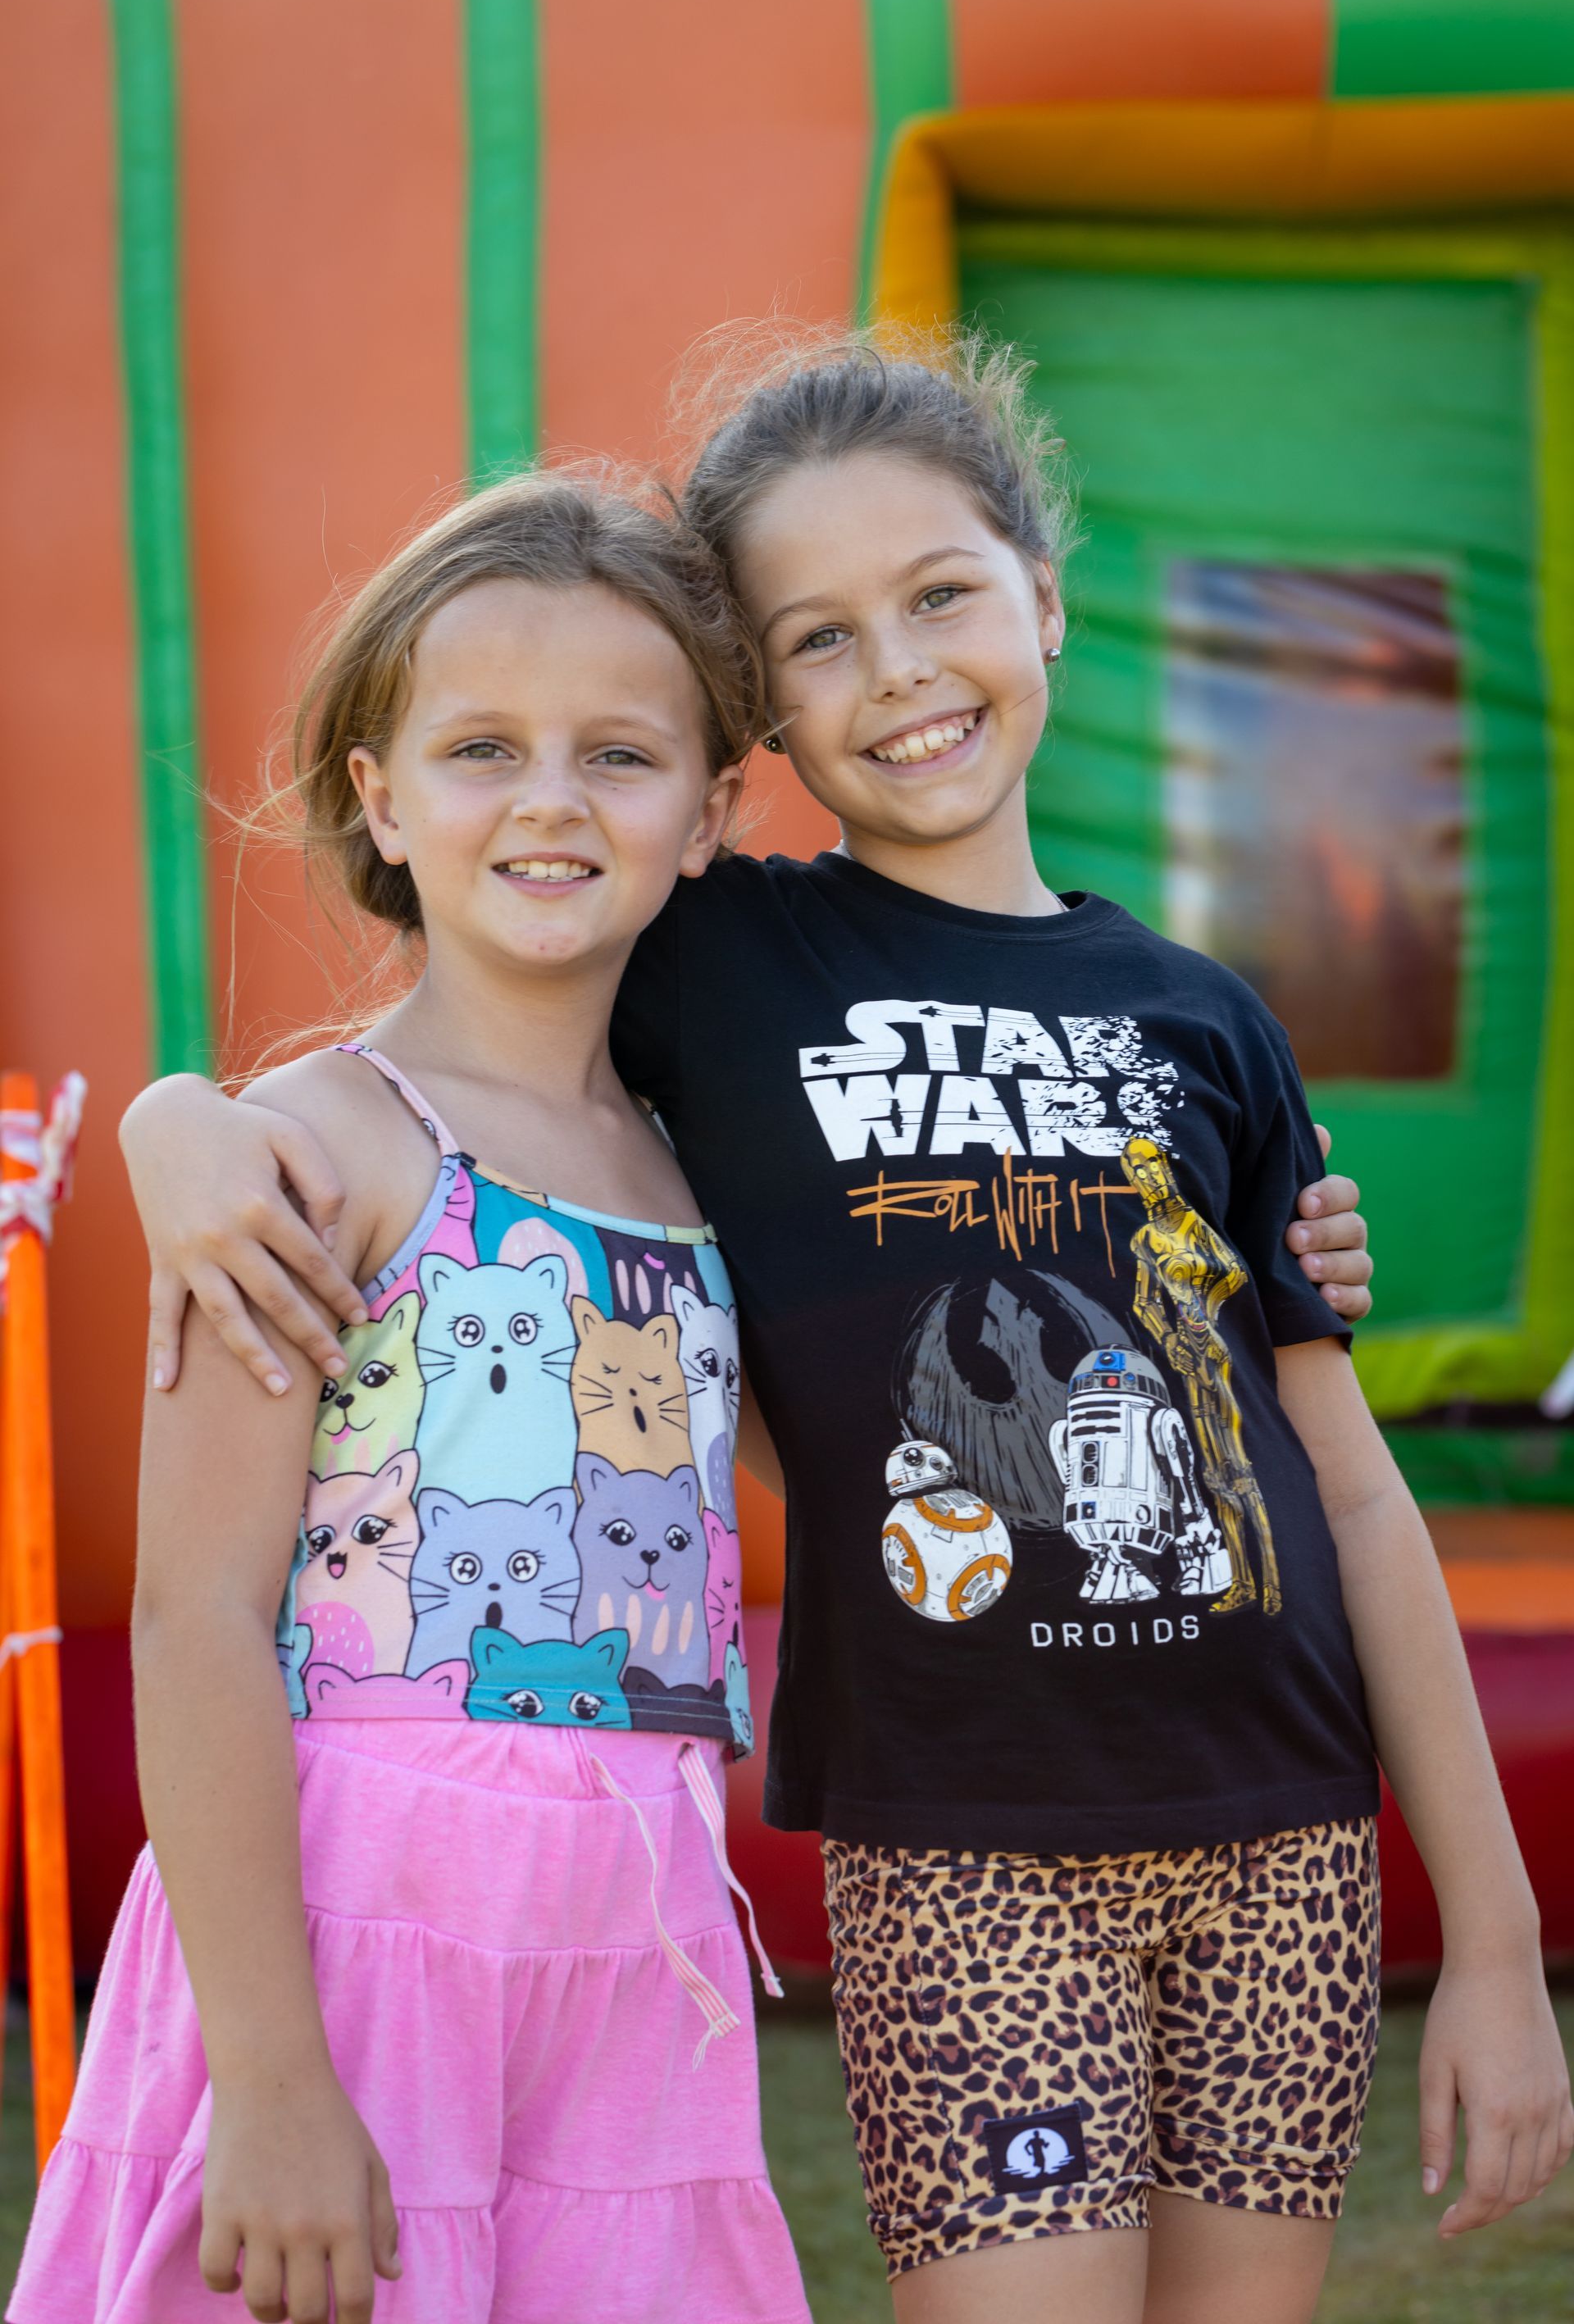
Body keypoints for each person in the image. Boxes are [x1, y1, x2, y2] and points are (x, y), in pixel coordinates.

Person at [120, 330, 1572, 2324]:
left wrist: (1490, 1937)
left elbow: (1352, 1491)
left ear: (1045, 599)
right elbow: (464, 991)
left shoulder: (1211, 1021)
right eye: (821, 637)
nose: (898, 670)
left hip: (1285, 1837)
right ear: (760, 737)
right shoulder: (716, 955)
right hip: (953, 1845)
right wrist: (171, 1118)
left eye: (944, 597)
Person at [12, 473, 810, 2324]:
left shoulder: (702, 1174)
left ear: (711, 813)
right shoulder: (314, 1152)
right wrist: (277, 2084)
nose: (549, 797)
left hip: (631, 1956)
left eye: (620, 752)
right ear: (380, 795)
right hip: (352, 1949)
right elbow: (199, 1617)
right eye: (479, 748)